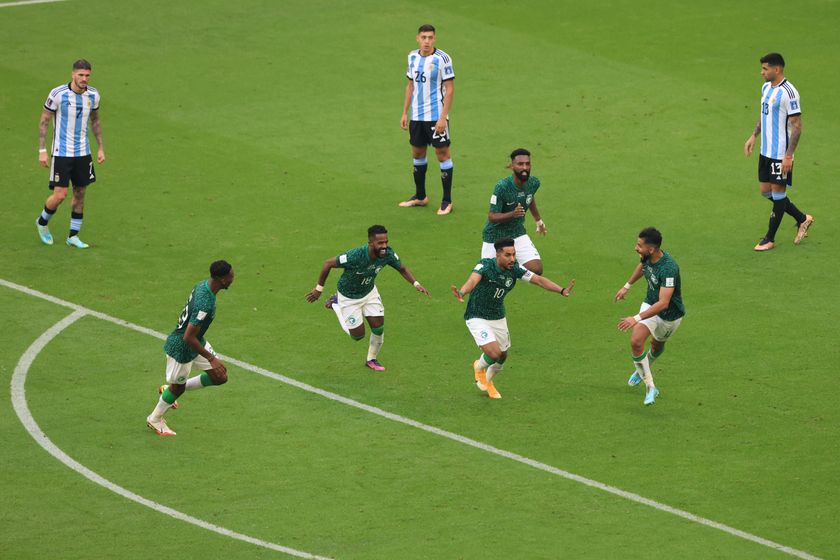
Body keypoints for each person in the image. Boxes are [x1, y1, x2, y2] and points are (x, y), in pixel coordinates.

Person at [452, 237, 574, 399]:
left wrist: (561, 290)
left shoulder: (514, 269)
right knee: (494, 353)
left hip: (497, 316)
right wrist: (462, 292)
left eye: (514, 254)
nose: (512, 259)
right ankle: (479, 368)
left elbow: (538, 280)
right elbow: (472, 280)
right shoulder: (485, 265)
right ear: (498, 255)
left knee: (503, 355)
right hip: (477, 315)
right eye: (508, 255)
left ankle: (487, 381)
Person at [305, 225, 430, 371]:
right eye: (380, 243)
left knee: (379, 328)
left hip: (369, 293)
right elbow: (328, 263)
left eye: (386, 242)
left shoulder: (387, 254)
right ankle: (336, 304)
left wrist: (416, 284)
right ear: (370, 243)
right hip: (348, 297)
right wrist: (319, 289)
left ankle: (371, 359)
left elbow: (401, 268)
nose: (384, 246)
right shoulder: (355, 255)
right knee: (358, 336)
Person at [146, 260, 235, 436]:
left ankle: (169, 391)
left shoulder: (204, 285)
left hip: (197, 341)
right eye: (231, 276)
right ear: (223, 279)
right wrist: (211, 358)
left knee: (220, 376)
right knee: (177, 388)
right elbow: (188, 336)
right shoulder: (205, 303)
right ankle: (155, 419)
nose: (233, 278)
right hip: (183, 348)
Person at [743, 52, 813, 252]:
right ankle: (802, 218)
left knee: (778, 194)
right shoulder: (766, 87)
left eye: (765, 69)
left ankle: (769, 238)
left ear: (777, 69)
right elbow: (764, 114)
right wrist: (753, 136)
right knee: (766, 192)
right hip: (766, 151)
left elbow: (797, 126)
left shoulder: (789, 93)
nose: (761, 72)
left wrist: (788, 156)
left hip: (781, 154)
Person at [35, 59, 106, 249]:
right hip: (61, 152)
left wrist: (100, 147)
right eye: (81, 75)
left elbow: (95, 121)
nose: (84, 79)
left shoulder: (93, 95)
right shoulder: (58, 94)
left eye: (87, 75)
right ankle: (42, 223)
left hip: (83, 152)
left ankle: (73, 236)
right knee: (60, 195)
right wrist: (42, 150)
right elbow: (44, 121)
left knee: (80, 193)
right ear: (73, 74)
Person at [614, 228, 684, 407]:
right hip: (649, 304)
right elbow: (642, 267)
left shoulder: (669, 268)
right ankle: (650, 387)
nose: (635, 248)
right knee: (636, 341)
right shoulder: (646, 256)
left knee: (657, 346)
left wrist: (635, 318)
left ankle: (642, 369)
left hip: (669, 316)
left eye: (639, 245)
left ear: (651, 249)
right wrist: (627, 286)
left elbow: (664, 303)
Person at [398, 24, 456, 215]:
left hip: (435, 117)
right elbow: (410, 86)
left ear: (435, 39)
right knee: (417, 154)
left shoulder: (442, 59)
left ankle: (447, 201)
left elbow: (450, 90)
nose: (427, 41)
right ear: (417, 38)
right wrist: (405, 112)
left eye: (430, 37)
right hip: (417, 117)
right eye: (423, 37)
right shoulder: (412, 57)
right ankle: (420, 196)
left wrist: (442, 118)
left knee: (442, 155)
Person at [480, 149, 547, 275]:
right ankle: (506, 269)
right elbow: (492, 216)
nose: (524, 167)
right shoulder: (502, 187)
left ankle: (509, 269)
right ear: (512, 166)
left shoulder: (533, 183)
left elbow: (529, 197)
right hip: (495, 236)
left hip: (516, 232)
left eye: (527, 164)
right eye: (520, 164)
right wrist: (513, 214)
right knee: (488, 275)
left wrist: (538, 221)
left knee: (536, 269)